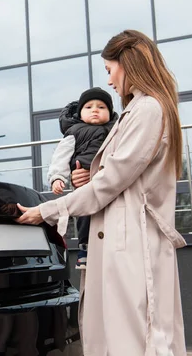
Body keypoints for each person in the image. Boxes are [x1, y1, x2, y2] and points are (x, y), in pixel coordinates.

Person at [15, 30, 188, 356]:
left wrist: (47, 210)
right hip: (122, 241)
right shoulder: (139, 110)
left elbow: (111, 183)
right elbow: (115, 178)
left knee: (136, 339)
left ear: (126, 62)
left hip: (131, 245)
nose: (109, 82)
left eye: (110, 70)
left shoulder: (148, 109)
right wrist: (88, 177)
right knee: (126, 336)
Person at [47, 87, 118, 269]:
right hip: (85, 184)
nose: (95, 110)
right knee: (85, 214)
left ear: (110, 113)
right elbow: (60, 157)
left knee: (110, 214)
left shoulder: (117, 131)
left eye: (101, 107)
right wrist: (57, 177)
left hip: (108, 182)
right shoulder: (74, 133)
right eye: (89, 107)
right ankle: (84, 248)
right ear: (80, 114)